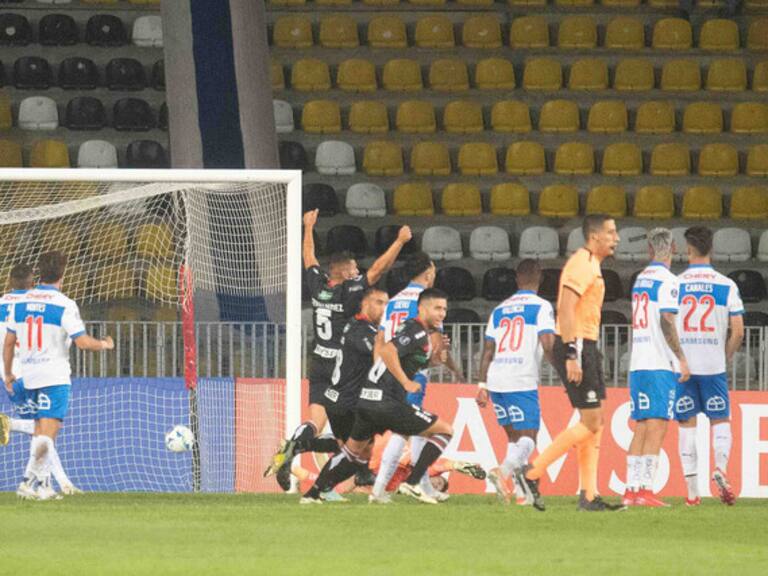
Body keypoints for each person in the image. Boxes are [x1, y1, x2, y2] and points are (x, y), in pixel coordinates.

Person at [265, 209, 411, 479]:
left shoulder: (317, 283)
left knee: (315, 422)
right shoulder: (349, 291)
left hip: (318, 362)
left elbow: (308, 256)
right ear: (342, 271)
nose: (358, 272)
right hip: (342, 368)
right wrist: (400, 241)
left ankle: (291, 448)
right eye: (354, 269)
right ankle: (362, 471)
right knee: (359, 427)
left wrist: (308, 227)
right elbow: (379, 269)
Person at [300, 289, 454, 505]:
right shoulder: (416, 330)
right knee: (445, 431)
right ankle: (413, 481)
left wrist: (437, 359)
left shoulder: (416, 332)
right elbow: (388, 352)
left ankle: (313, 494)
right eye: (437, 308)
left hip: (367, 400)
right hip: (386, 402)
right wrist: (405, 382)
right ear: (422, 308)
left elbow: (408, 359)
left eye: (445, 309)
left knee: (352, 452)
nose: (442, 313)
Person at [516, 214, 624, 512]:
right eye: (611, 232)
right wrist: (574, 354)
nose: (616, 238)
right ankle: (532, 472)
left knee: (596, 421)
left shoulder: (591, 264)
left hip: (585, 343)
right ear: (594, 237)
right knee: (592, 421)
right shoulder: (581, 263)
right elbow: (565, 307)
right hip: (576, 344)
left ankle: (589, 495)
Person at [3, 252, 114, 501]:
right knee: (48, 432)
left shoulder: (19, 302)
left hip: (28, 374)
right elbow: (83, 343)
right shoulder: (64, 304)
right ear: (62, 274)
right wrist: (105, 344)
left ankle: (40, 485)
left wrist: (9, 372)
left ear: (39, 273)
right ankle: (28, 483)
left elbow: (9, 342)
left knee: (40, 429)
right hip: (53, 375)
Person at [369, 252, 462, 503]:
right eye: (433, 270)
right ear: (428, 273)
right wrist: (451, 365)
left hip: (387, 373)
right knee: (405, 430)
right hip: (413, 373)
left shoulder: (393, 301)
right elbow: (436, 346)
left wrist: (376, 372)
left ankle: (423, 486)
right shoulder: (426, 303)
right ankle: (378, 491)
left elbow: (379, 341)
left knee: (419, 428)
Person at [674, 226, 744, 506]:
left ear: (688, 249)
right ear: (711, 249)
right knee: (720, 421)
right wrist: (723, 356)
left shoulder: (675, 284)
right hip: (713, 367)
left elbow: (665, 324)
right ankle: (720, 469)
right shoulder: (726, 285)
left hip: (684, 368)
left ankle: (692, 494)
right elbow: (738, 331)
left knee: (686, 428)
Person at [476, 259, 555, 505]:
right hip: (521, 380)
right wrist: (563, 372)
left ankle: (522, 495)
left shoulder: (499, 309)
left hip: (497, 380)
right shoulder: (541, 307)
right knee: (529, 437)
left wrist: (481, 385)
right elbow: (547, 342)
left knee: (514, 439)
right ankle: (504, 472)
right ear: (540, 278)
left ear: (517, 279)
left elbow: (487, 350)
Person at [0, 264, 81, 495]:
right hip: (34, 369)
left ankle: (53, 484)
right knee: (45, 426)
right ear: (32, 281)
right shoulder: (35, 303)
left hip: (10, 375)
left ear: (9, 281)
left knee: (42, 428)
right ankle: (48, 484)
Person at [624, 229, 690, 507]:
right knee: (658, 423)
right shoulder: (669, 280)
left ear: (649, 251)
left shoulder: (641, 278)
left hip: (638, 361)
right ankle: (646, 490)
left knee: (641, 424)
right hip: (658, 362)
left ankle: (630, 489)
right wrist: (681, 357)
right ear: (673, 248)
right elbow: (666, 320)